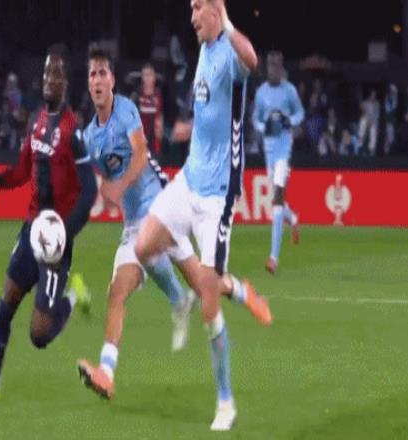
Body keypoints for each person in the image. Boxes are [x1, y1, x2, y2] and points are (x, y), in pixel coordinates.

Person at [134, 0, 272, 431]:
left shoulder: (230, 51)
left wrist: (227, 20)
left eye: (198, 7)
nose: (192, 16)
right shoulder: (204, 51)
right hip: (189, 179)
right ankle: (191, 296)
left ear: (216, 9)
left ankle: (226, 402)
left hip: (216, 196)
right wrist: (187, 130)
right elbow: (211, 114)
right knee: (144, 245)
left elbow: (252, 59)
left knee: (211, 308)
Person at [0, 45, 98, 406]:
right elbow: (24, 170)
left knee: (39, 335)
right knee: (6, 303)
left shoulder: (73, 131)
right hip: (31, 231)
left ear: (66, 82)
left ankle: (73, 295)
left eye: (56, 74)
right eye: (46, 72)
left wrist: (65, 234)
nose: (49, 79)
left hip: (57, 243)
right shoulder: (36, 121)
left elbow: (90, 191)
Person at [76, 48, 196, 400]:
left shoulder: (126, 110)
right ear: (89, 84)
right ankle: (106, 373)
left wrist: (118, 186)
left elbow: (140, 155)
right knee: (117, 292)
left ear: (112, 80)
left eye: (103, 73)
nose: (98, 80)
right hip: (133, 224)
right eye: (92, 74)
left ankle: (227, 295)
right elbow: (92, 180)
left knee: (203, 279)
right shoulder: (90, 137)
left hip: (160, 209)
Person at [252, 51, 304, 274]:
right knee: (277, 200)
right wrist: (264, 126)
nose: (274, 69)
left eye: (277, 66)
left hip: (284, 149)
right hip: (269, 149)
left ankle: (273, 257)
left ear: (281, 68)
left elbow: (300, 113)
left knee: (277, 200)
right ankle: (293, 217)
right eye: (271, 66)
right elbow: (255, 119)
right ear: (267, 68)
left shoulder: (289, 90)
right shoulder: (261, 93)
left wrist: (288, 120)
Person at [131, 63, 164, 160]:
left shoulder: (159, 95)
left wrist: (160, 128)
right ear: (142, 78)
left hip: (155, 143)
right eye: (145, 75)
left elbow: (161, 116)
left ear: (154, 78)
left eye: (150, 75)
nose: (148, 78)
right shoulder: (136, 95)